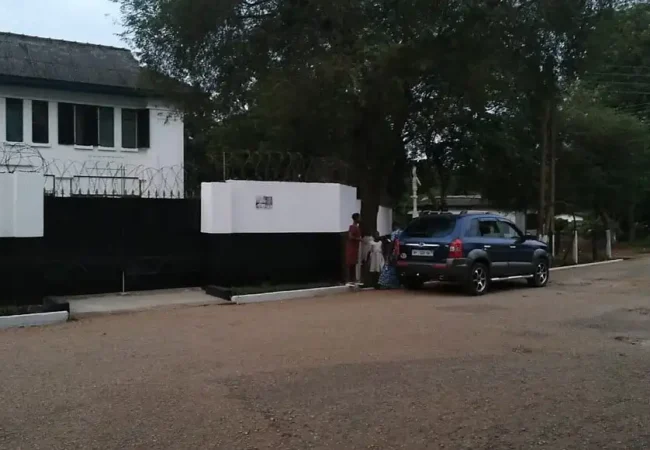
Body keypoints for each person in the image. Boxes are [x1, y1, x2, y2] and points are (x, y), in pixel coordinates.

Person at [379, 222, 402, 289]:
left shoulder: (394, 233)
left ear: (394, 226)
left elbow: (392, 243)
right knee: (396, 267)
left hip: (394, 252)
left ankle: (386, 283)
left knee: (388, 266)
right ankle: (396, 283)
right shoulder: (402, 233)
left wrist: (388, 253)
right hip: (401, 252)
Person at [345, 213, 362, 284]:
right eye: (359, 218)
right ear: (356, 219)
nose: (360, 219)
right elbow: (350, 236)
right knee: (351, 263)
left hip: (355, 247)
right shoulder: (352, 227)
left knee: (354, 263)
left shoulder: (357, 227)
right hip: (351, 247)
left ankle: (353, 279)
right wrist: (358, 239)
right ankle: (349, 279)